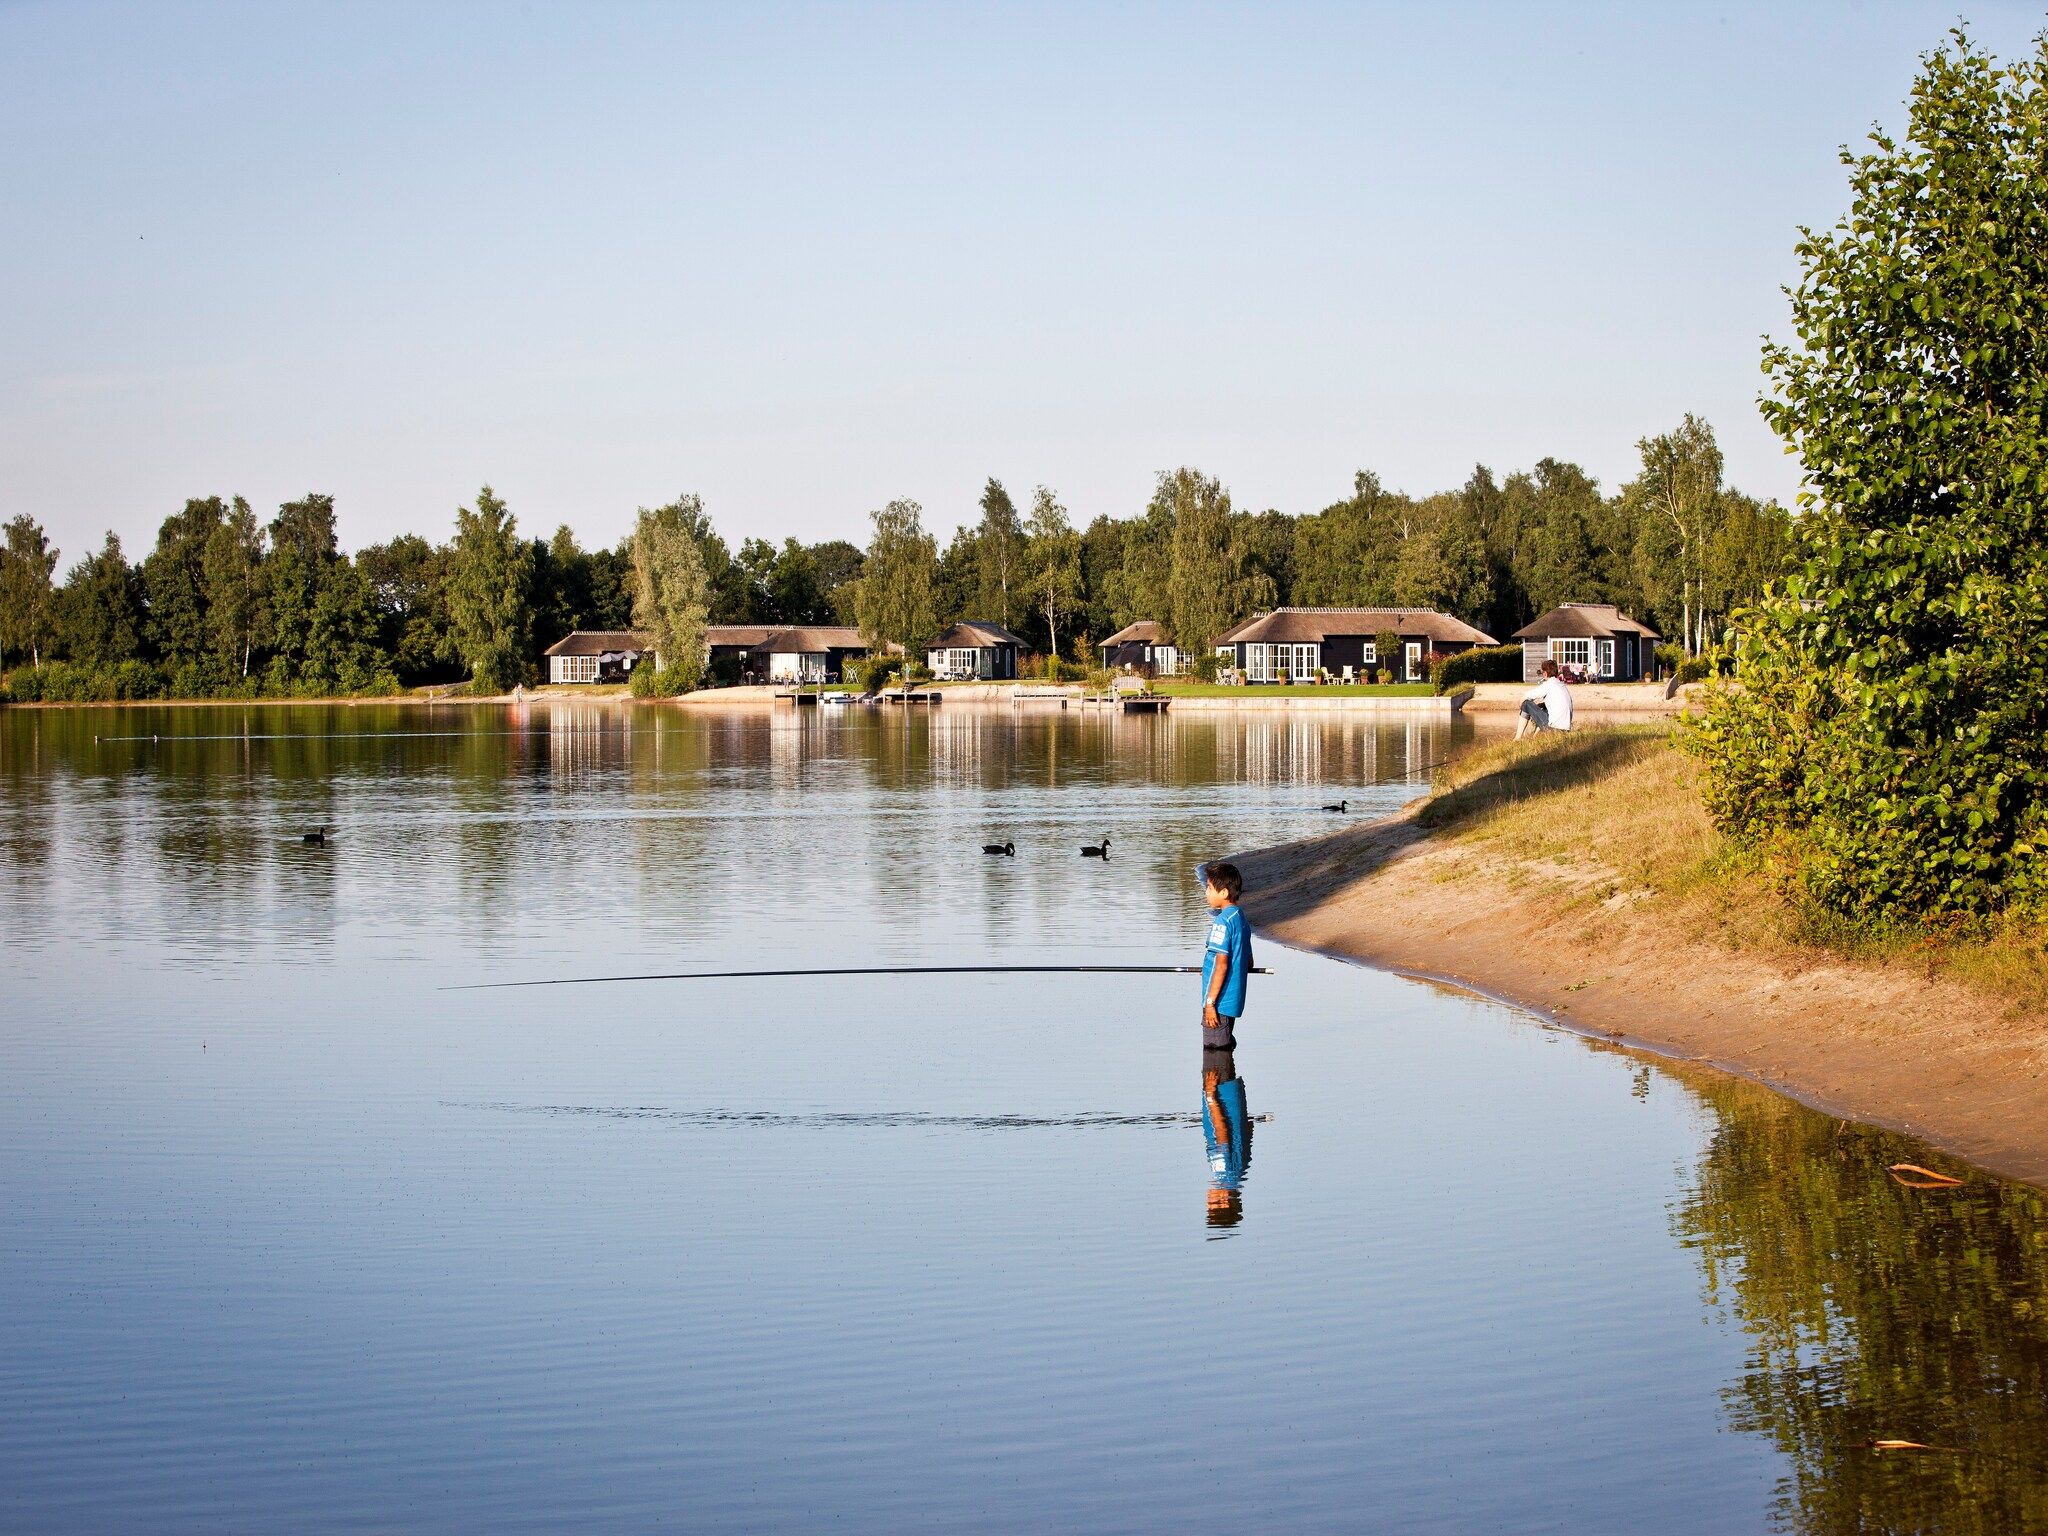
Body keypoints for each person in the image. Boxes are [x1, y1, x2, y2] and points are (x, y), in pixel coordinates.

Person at [1199, 861, 1253, 1050]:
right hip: (1233, 1001)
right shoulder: (1240, 918)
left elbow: (1221, 965)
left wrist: (1210, 1003)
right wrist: (1207, 969)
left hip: (1219, 1002)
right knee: (1224, 1047)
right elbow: (1248, 961)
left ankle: (1222, 1079)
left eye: (1209, 888)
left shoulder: (1222, 922)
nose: (1206, 892)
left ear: (1223, 893)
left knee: (1214, 1054)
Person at [1202, 1045, 1252, 1229]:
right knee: (1214, 1050)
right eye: (1210, 1205)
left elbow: (1250, 1128)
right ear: (1223, 1202)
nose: (1208, 1200)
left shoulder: (1241, 1172)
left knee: (1222, 1052)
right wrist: (1211, 1097)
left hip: (1233, 1095)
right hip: (1221, 1094)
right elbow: (1221, 1134)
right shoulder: (1224, 1172)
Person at [1515, 658, 1574, 740]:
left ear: (1545, 673)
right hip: (1565, 731)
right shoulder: (1561, 685)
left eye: (1542, 672)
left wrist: (1521, 707)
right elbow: (1555, 704)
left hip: (1553, 730)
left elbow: (1526, 696)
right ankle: (1534, 738)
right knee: (1544, 708)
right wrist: (1541, 705)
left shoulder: (1549, 684)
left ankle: (1517, 739)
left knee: (1526, 704)